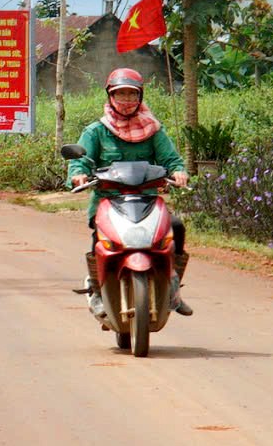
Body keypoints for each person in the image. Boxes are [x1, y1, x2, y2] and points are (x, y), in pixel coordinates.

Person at [66, 67, 192, 317]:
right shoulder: (96, 131)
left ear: (140, 98)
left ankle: (173, 287)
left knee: (175, 228)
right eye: (120, 95)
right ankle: (97, 291)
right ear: (110, 97)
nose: (126, 102)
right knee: (99, 239)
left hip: (146, 200)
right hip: (108, 201)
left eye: (132, 95)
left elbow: (171, 159)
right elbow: (80, 160)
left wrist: (178, 171)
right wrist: (78, 173)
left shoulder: (153, 129)